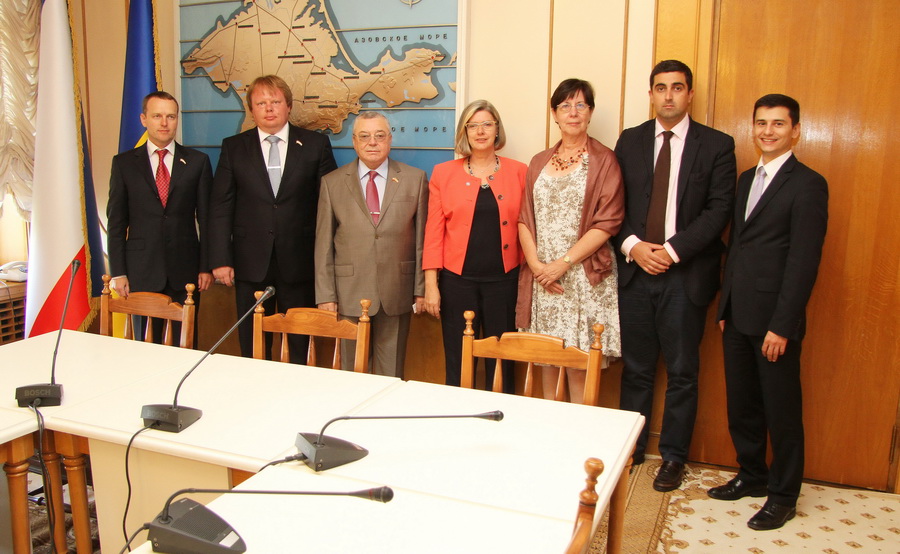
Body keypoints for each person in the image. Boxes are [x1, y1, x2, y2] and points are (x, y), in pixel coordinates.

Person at [614, 60, 736, 491]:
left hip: (685, 276)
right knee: (636, 369)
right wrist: (633, 245)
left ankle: (673, 457)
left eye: (677, 87)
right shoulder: (629, 141)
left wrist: (670, 251)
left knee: (683, 372)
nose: (668, 95)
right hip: (635, 271)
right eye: (661, 87)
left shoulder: (717, 145)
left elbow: (719, 210)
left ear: (690, 94)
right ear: (650, 94)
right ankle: (630, 450)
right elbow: (613, 203)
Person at [708, 94, 827, 531]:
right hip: (737, 314)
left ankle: (783, 495)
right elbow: (738, 247)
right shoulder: (745, 179)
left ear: (795, 130)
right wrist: (725, 305)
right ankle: (752, 475)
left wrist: (783, 325)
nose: (768, 131)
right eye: (761, 123)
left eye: (778, 124)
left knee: (781, 410)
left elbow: (803, 262)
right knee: (742, 404)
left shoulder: (808, 184)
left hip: (775, 321)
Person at [208, 75, 337, 362]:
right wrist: (220, 259)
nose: (269, 109)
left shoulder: (315, 144)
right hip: (249, 264)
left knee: (300, 345)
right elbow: (220, 207)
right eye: (261, 103)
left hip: (300, 263)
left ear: (288, 106)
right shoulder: (233, 147)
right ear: (251, 110)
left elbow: (329, 206)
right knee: (253, 345)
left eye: (275, 102)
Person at [517, 79, 624, 404]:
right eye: (565, 106)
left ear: (590, 112)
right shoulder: (539, 161)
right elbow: (524, 218)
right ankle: (552, 430)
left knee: (579, 366)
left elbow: (608, 222)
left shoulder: (604, 160)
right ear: (555, 114)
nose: (573, 112)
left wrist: (562, 264)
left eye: (580, 105)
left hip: (582, 278)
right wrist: (537, 266)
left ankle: (582, 431)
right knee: (547, 360)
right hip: (544, 280)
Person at [423, 100, 527, 391]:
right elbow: (433, 233)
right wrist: (431, 286)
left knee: (502, 365)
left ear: (497, 129)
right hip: (457, 283)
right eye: (473, 125)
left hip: (505, 283)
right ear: (464, 132)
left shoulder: (520, 171)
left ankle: (501, 414)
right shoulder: (443, 173)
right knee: (459, 363)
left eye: (487, 124)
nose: (480, 131)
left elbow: (528, 226)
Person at [315, 112, 427, 377]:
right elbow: (323, 244)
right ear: (354, 142)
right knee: (351, 373)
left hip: (397, 290)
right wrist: (326, 295)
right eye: (364, 136)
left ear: (390, 139)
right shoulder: (332, 182)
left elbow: (422, 240)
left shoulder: (415, 178)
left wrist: (420, 289)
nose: (372, 142)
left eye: (379, 135)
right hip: (348, 292)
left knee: (391, 372)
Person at [107, 91, 213, 342]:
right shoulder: (124, 164)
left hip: (185, 273)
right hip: (141, 272)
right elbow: (117, 222)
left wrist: (205, 267)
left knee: (186, 343)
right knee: (147, 347)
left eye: (171, 117)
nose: (164, 123)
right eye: (157, 116)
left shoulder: (197, 162)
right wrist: (118, 272)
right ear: (144, 119)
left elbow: (207, 220)